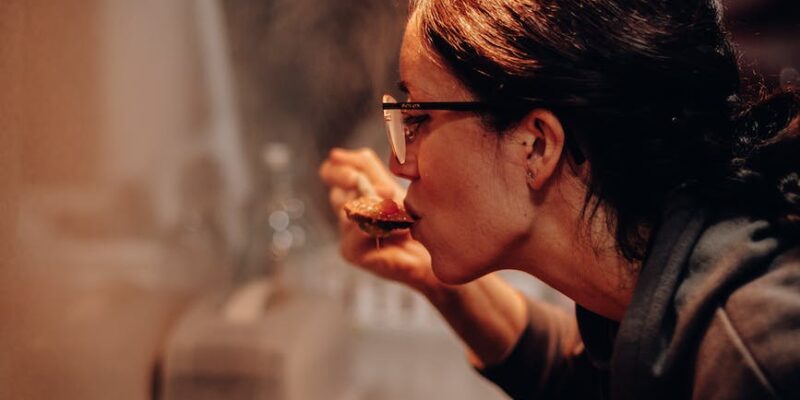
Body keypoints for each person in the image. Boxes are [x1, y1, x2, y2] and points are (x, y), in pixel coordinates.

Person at [319, 0, 800, 398]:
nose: (398, 166)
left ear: (537, 146)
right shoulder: (654, 282)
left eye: (418, 118)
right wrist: (434, 277)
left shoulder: (755, 359)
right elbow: (589, 385)